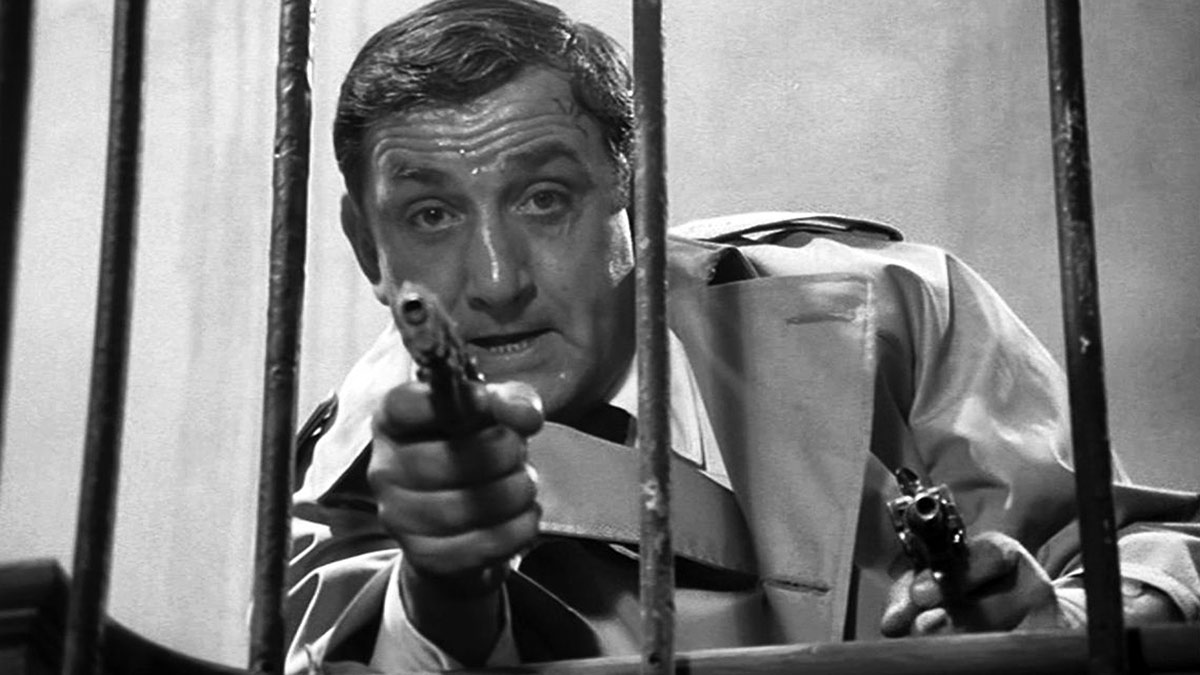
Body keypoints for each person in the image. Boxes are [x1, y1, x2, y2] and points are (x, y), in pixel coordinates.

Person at [284, 0, 1200, 672]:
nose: (495, 281)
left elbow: (1160, 547)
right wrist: (442, 589)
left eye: (544, 198)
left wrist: (1067, 625)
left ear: (636, 187)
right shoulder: (365, 468)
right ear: (368, 245)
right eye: (432, 215)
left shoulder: (894, 307)